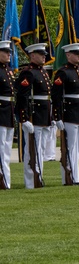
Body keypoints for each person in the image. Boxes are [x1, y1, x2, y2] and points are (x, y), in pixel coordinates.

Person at [16, 42, 53, 188]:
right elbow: (23, 97)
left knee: (41, 149)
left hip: (44, 115)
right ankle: (31, 180)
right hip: (34, 115)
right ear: (32, 55)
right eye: (40, 54)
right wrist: (24, 118)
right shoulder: (28, 72)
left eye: (44, 54)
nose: (44, 57)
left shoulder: (43, 72)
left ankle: (39, 176)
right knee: (32, 149)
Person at [52, 43, 79, 184]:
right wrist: (58, 116)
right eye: (76, 54)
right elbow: (57, 96)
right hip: (70, 112)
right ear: (68, 55)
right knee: (70, 146)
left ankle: (74, 175)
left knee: (78, 146)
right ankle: (69, 175)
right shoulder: (63, 72)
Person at [0, 40, 18, 190]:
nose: (9, 55)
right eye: (6, 52)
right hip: (1, 111)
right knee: (1, 148)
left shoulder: (8, 70)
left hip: (9, 111)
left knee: (6, 148)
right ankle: (3, 179)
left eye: (9, 52)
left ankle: (6, 180)